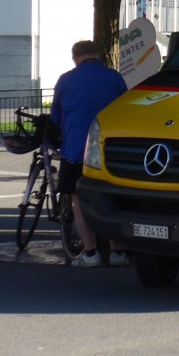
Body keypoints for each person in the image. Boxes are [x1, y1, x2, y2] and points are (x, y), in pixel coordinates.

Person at [51, 40, 128, 267]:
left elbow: (56, 116)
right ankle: (117, 253)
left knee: (78, 201)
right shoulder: (114, 77)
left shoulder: (66, 80)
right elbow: (124, 107)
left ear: (75, 57)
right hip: (108, 149)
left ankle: (91, 253)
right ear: (96, 55)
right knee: (111, 199)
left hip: (76, 149)